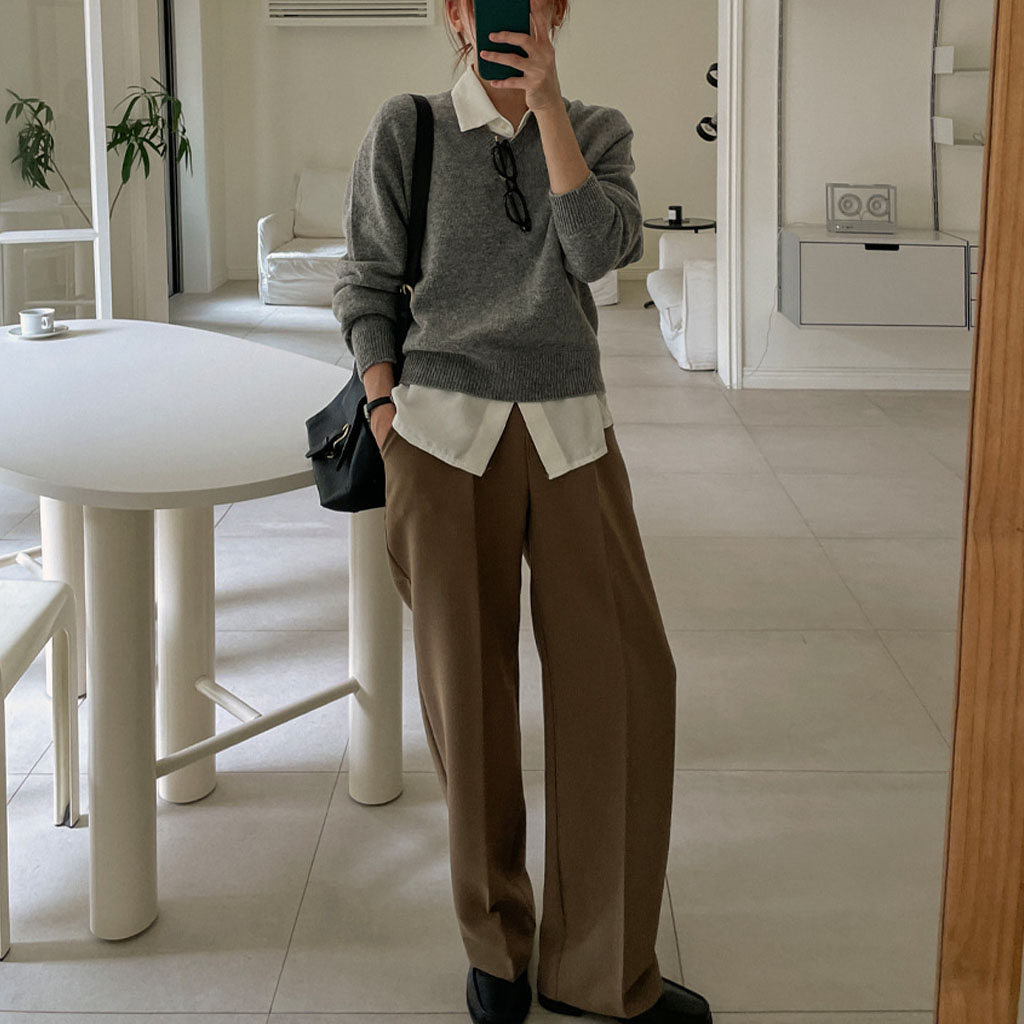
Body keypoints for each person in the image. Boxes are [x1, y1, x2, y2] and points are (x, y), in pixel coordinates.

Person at [332, 2, 712, 1022]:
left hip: (570, 430)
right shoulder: (407, 128)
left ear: (556, 12)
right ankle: (496, 952)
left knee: (626, 682)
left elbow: (600, 257)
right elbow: (365, 281)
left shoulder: (595, 129)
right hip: (438, 436)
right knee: (468, 697)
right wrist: (383, 409)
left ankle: (600, 969)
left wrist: (546, 110)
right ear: (457, 13)